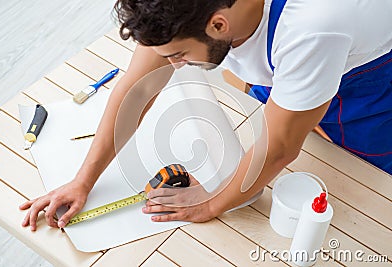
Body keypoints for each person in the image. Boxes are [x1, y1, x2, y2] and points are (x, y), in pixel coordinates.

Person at [20, 0, 392, 231]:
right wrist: (83, 181)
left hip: (366, 81)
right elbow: (139, 89)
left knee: (367, 176)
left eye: (177, 55)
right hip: (289, 58)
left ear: (218, 25)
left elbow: (279, 148)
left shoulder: (312, 29)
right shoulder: (187, 10)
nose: (171, 67)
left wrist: (211, 203)